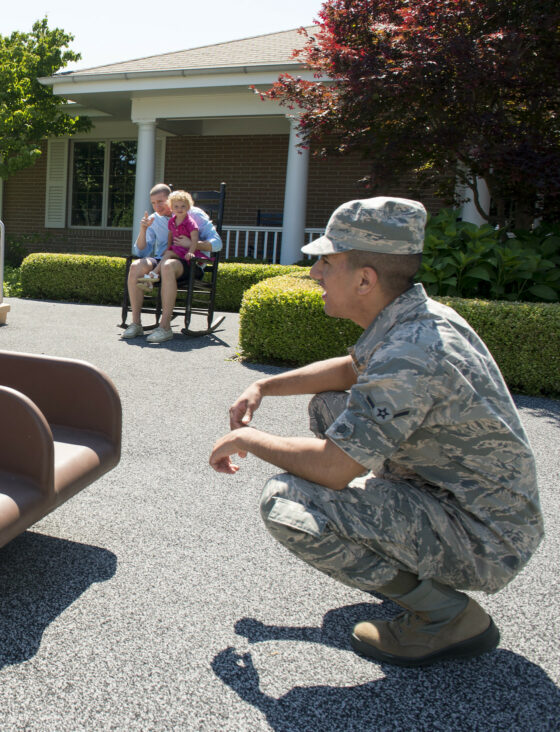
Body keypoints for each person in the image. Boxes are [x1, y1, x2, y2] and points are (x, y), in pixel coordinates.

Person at [208, 197, 543, 667]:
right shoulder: (415, 319)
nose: (314, 274)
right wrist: (263, 385)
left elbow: (330, 468)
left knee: (286, 503)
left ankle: (447, 616)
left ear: (365, 279)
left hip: (483, 540)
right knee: (330, 405)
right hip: (467, 505)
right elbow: (351, 369)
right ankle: (406, 560)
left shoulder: (411, 350)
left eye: (327, 262)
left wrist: (248, 439)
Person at [122, 183, 222, 344]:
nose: (157, 206)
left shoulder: (195, 214)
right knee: (136, 266)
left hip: (191, 262)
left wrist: (191, 243)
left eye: (160, 201)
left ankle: (165, 328)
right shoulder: (156, 219)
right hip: (163, 260)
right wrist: (143, 230)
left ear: (170, 199)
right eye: (153, 203)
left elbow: (217, 244)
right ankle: (136, 324)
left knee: (168, 265)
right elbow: (141, 252)